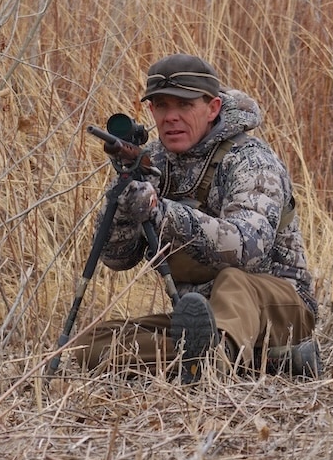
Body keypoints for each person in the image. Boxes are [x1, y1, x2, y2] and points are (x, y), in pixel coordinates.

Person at [73, 53, 320, 382]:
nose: (171, 117)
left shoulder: (251, 160)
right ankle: (227, 358)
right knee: (92, 344)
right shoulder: (152, 162)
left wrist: (162, 212)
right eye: (161, 106)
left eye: (184, 105)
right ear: (151, 111)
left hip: (278, 308)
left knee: (232, 281)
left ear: (213, 108)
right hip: (202, 315)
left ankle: (221, 355)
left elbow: (248, 250)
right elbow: (117, 259)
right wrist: (123, 204)